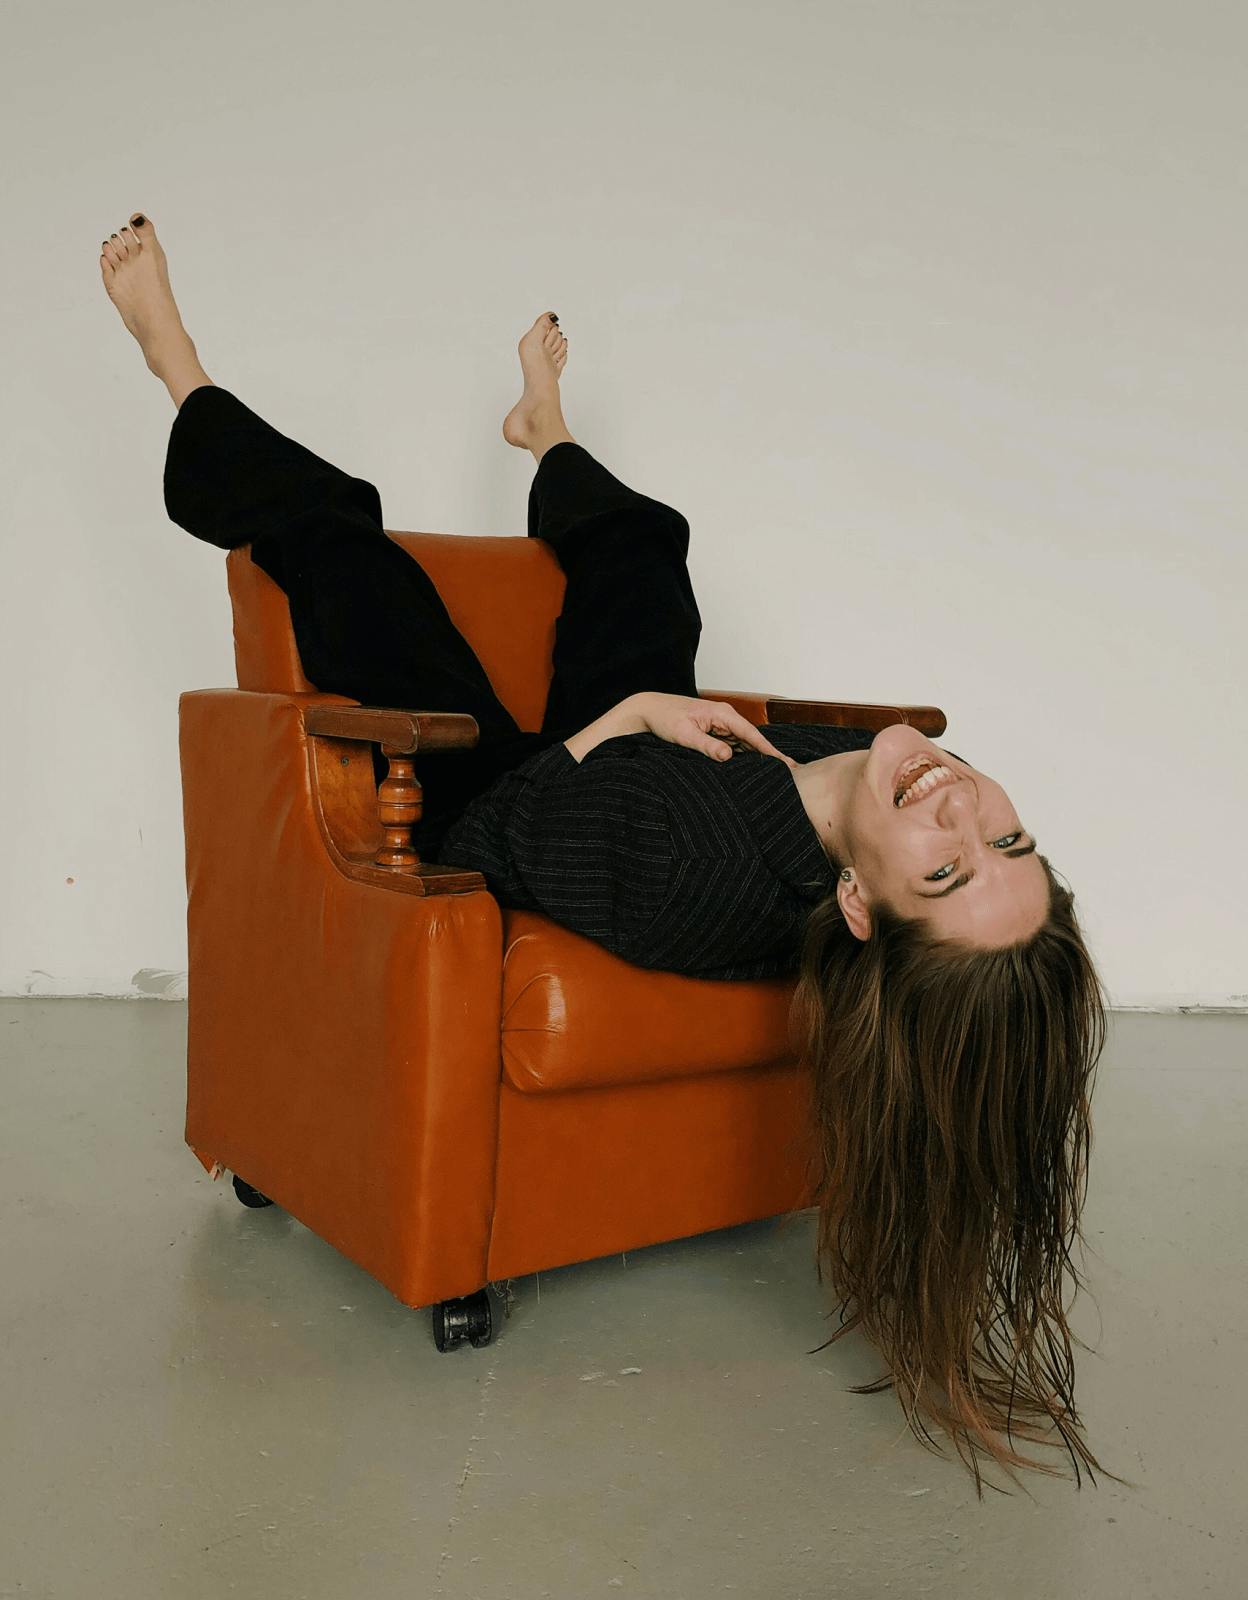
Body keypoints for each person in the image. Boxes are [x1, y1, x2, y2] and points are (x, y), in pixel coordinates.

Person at [101, 212, 1115, 1493]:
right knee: (648, 548)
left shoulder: (675, 859)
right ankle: (547, 434)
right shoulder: (847, 809)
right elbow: (835, 799)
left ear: (861, 905)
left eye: (947, 868)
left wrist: (634, 716)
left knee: (344, 537)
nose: (964, 809)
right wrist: (742, 742)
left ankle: (177, 368)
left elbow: (510, 825)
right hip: (658, 765)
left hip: (515, 791)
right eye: (1005, 835)